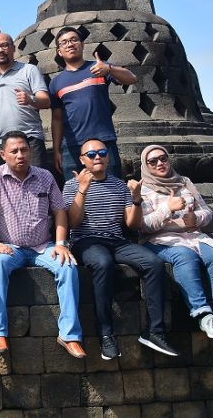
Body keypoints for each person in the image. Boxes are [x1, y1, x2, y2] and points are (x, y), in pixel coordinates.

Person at [0, 131, 86, 359]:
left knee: (68, 266)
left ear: (30, 151)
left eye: (24, 150)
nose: (20, 155)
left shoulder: (45, 176)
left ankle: (70, 335)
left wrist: (61, 243)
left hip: (43, 246)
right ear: (3, 154)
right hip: (9, 247)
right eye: (14, 151)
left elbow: (59, 211)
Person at [63, 138, 177, 361]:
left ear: (108, 157)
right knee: (102, 263)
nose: (98, 157)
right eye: (92, 154)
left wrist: (135, 200)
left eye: (102, 153)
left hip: (116, 240)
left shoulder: (118, 184)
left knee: (153, 263)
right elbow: (73, 223)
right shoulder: (71, 185)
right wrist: (82, 190)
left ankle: (155, 330)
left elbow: (132, 225)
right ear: (82, 159)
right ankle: (106, 334)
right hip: (86, 240)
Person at [130, 145, 213, 338]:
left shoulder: (184, 182)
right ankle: (203, 314)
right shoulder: (142, 190)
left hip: (193, 235)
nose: (160, 163)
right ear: (145, 165)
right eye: (153, 161)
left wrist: (196, 219)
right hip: (160, 240)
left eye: (163, 158)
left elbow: (207, 212)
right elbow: (143, 226)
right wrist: (167, 208)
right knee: (185, 256)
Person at [49, 26, 136, 179]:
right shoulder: (56, 83)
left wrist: (109, 68)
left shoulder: (98, 68)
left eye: (74, 40)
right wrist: (57, 150)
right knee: (75, 192)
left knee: (112, 188)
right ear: (59, 51)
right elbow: (56, 119)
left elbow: (131, 79)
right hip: (72, 145)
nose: (69, 44)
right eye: (64, 42)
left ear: (82, 45)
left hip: (104, 140)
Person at [0, 32, 52, 171]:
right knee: (4, 189)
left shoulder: (29, 70)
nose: (0, 50)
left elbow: (46, 101)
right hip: (0, 143)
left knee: (36, 185)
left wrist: (30, 99)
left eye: (4, 45)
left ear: (13, 48)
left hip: (29, 140)